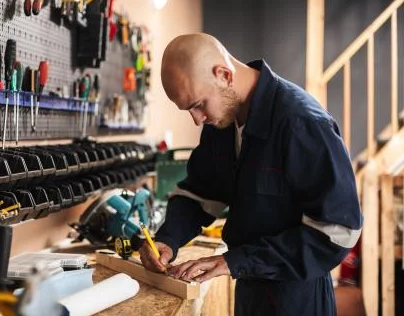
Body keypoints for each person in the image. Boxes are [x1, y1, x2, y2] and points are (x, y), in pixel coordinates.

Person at [138, 33, 363, 315]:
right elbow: (200, 193)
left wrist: (236, 260)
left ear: (223, 75)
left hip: (297, 299)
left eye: (197, 104)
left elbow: (339, 232)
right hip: (250, 290)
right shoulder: (222, 121)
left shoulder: (301, 123)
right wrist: (166, 239)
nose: (197, 119)